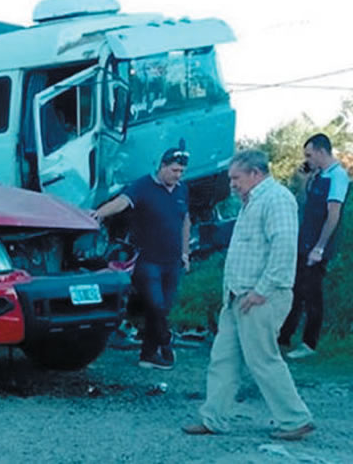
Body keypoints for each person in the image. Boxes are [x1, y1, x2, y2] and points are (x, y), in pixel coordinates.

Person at [183, 150, 314, 441]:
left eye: (236, 178)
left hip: (261, 297)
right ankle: (214, 418)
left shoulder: (277, 199)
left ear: (256, 174)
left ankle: (295, 419)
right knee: (223, 359)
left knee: (263, 360)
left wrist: (261, 291)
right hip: (237, 297)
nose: (231, 184)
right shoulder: (250, 202)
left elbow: (284, 248)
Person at [92, 147, 191, 370]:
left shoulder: (182, 190)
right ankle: (165, 343)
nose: (178, 176)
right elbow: (123, 202)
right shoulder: (143, 185)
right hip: (148, 259)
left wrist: (185, 253)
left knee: (163, 307)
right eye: (175, 170)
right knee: (155, 305)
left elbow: (185, 221)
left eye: (182, 172)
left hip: (173, 259)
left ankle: (148, 354)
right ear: (162, 167)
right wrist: (100, 213)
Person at [279, 133, 350, 359]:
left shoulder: (337, 177)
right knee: (296, 290)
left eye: (310, 155)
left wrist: (320, 247)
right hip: (304, 242)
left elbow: (333, 214)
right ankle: (284, 337)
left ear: (321, 151)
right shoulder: (318, 175)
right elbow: (302, 203)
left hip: (317, 246)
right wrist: (303, 182)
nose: (307, 159)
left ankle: (309, 343)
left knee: (312, 294)